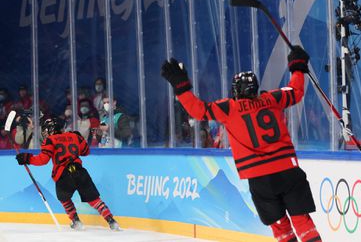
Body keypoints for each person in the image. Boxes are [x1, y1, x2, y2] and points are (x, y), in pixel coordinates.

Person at [160, 46, 322, 242]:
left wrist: (181, 87)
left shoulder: (230, 107)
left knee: (280, 227)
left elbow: (197, 110)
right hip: (288, 171)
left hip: (259, 178)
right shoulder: (272, 98)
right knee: (303, 222)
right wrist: (297, 66)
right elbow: (295, 91)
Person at [15, 118, 120, 231]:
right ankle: (111, 221)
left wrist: (27, 158)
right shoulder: (74, 136)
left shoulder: (50, 140)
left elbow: (43, 160)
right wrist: (79, 138)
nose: (45, 132)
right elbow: (85, 152)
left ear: (51, 129)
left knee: (64, 199)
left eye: (46, 130)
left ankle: (76, 221)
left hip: (63, 174)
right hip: (80, 172)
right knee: (94, 200)